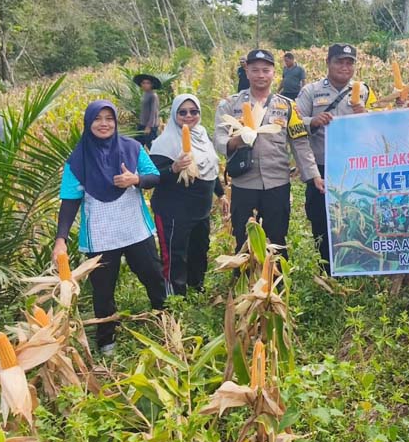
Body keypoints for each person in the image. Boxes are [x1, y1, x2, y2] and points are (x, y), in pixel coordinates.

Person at [52, 100, 166, 354]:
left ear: (115, 122)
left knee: (154, 276)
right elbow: (70, 201)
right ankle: (107, 342)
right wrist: (60, 239)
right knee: (103, 290)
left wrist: (135, 179)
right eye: (97, 119)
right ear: (88, 123)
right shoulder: (77, 160)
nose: (104, 124)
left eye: (109, 118)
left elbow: (155, 177)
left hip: (135, 229)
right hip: (100, 235)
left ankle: (166, 319)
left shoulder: (132, 148)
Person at [215, 49, 323, 257]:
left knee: (277, 238)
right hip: (244, 184)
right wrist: (237, 140)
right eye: (255, 70)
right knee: (244, 240)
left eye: (266, 70)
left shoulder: (287, 106)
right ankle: (245, 283)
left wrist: (314, 175)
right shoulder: (231, 105)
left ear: (275, 73)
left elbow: (299, 143)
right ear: (247, 72)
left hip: (277, 183)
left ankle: (277, 284)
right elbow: (218, 140)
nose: (261, 75)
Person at [295, 44, 374, 274]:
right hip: (322, 167)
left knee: (354, 218)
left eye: (350, 62)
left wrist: (364, 116)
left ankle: (355, 266)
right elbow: (294, 125)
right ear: (328, 63)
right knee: (321, 219)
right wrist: (313, 121)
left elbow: (374, 126)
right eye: (339, 61)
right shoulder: (310, 91)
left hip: (352, 167)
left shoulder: (364, 91)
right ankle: (328, 269)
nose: (344, 67)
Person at [149, 94, 228, 296]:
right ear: (175, 114)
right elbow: (152, 178)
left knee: (199, 249)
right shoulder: (164, 143)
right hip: (173, 210)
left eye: (194, 112)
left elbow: (210, 167)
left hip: (200, 209)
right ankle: (175, 296)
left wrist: (220, 194)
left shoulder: (202, 134)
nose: (188, 116)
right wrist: (174, 168)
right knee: (175, 254)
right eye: (182, 112)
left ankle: (196, 286)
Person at [133, 73, 161, 149]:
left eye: (148, 83)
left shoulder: (153, 96)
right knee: (137, 145)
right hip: (142, 124)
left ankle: (155, 160)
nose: (145, 85)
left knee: (151, 146)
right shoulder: (145, 94)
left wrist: (148, 126)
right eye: (143, 83)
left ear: (152, 85)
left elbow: (153, 112)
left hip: (150, 126)